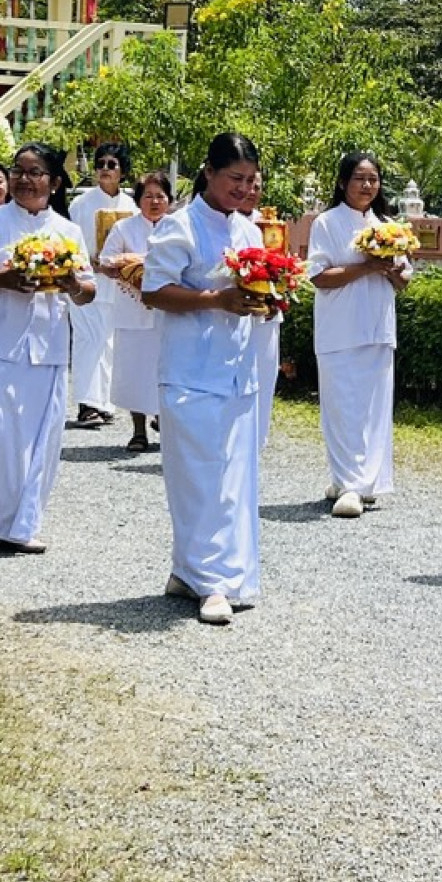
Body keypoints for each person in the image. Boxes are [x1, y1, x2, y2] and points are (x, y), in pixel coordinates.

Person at [141, 133, 280, 627]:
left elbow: (255, 287)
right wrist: (214, 300)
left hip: (238, 369)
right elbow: (154, 290)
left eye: (251, 180)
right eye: (234, 178)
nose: (244, 189)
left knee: (233, 478)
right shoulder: (180, 225)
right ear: (208, 173)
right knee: (198, 477)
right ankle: (211, 581)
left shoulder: (249, 230)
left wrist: (268, 301)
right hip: (190, 370)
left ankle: (192, 571)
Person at [0, 142, 96, 550]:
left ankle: (19, 526)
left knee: (38, 440)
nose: (24, 180)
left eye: (34, 173)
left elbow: (88, 292)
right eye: (18, 171)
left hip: (46, 349)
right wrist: (3, 279)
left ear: (54, 182)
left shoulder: (67, 231)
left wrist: (71, 284)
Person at [305, 150, 405, 518]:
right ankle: (349, 483)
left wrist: (390, 269)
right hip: (339, 329)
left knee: (374, 409)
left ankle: (364, 482)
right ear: (343, 182)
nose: (367, 185)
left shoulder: (388, 225)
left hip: (378, 327)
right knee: (342, 407)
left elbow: (404, 281)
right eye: (360, 178)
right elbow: (318, 276)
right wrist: (366, 266)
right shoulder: (326, 223)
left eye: (373, 179)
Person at [97, 170, 173, 453]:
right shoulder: (124, 228)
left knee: (167, 369)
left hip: (169, 312)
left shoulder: (178, 228)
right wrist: (128, 266)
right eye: (148, 196)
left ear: (169, 200)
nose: (154, 202)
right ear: (139, 200)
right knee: (135, 371)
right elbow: (105, 261)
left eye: (160, 196)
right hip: (132, 309)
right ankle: (138, 430)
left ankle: (165, 422)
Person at [66, 146, 137, 430]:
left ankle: (105, 403)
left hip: (119, 284)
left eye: (111, 164)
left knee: (109, 344)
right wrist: (95, 264)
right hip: (87, 282)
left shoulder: (132, 206)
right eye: (100, 164)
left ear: (122, 171)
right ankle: (87, 404)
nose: (105, 169)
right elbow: (71, 244)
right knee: (88, 341)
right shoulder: (80, 204)